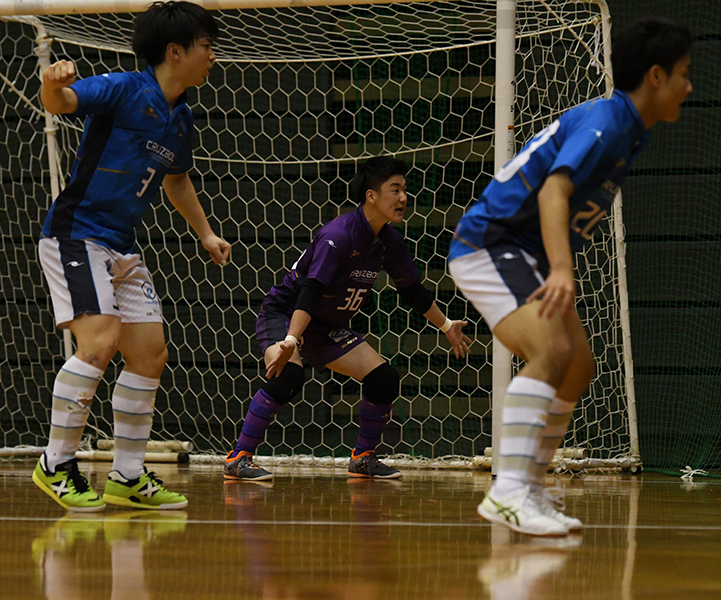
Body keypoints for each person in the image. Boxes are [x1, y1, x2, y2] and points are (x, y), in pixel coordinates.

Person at [447, 17, 693, 535]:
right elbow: (553, 191)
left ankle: (530, 486)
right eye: (684, 73)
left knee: (578, 365)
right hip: (491, 243)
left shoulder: (630, 128)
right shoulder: (608, 123)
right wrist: (563, 268)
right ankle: (508, 492)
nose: (689, 87)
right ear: (656, 76)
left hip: (522, 251)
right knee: (551, 352)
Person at [32, 1, 231, 512]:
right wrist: (52, 82)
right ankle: (55, 464)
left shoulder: (180, 118)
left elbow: (177, 181)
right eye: (206, 46)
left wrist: (206, 233)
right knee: (99, 342)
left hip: (120, 244)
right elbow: (61, 102)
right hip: (76, 235)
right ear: (175, 50)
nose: (213, 55)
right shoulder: (124, 88)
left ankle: (126, 476)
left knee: (149, 354)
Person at [224, 156, 471, 481]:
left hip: (326, 327)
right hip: (287, 313)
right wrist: (291, 340)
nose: (403, 197)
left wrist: (446, 325)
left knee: (384, 378)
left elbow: (412, 290)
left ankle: (363, 459)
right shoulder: (338, 235)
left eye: (405, 189)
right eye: (395, 189)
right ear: (371, 196)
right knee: (289, 376)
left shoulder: (389, 242)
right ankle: (238, 458)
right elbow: (311, 291)